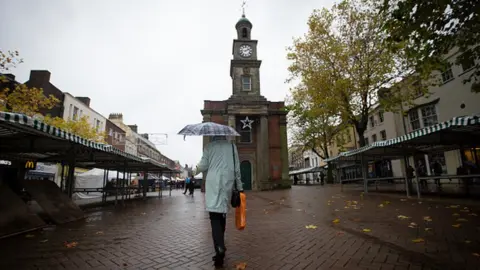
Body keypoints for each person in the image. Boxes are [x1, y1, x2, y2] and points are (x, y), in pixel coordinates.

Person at [196, 136, 243, 268]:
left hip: (213, 183)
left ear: (213, 136)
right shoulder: (232, 146)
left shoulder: (209, 147)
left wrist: (194, 170)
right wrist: (239, 187)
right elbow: (237, 168)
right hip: (228, 182)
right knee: (222, 213)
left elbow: (203, 165)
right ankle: (219, 251)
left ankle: (219, 248)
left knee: (214, 217)